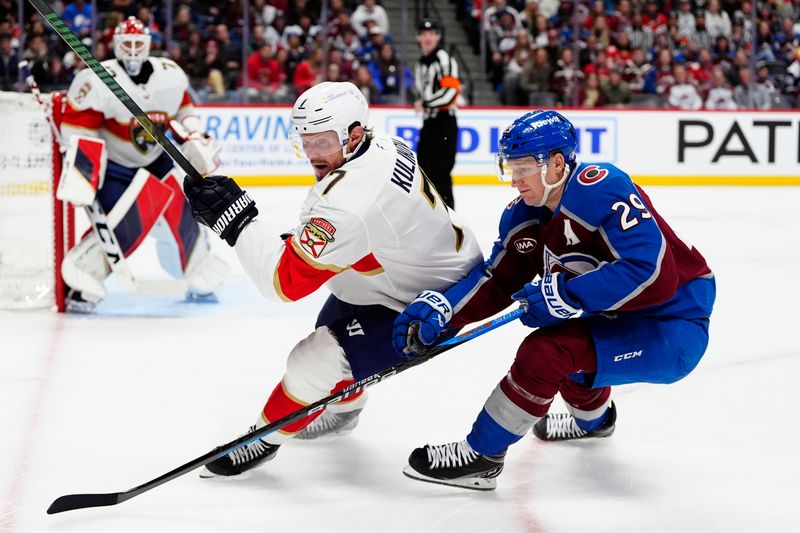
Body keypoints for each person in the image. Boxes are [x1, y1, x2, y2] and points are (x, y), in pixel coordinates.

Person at [392, 110, 716, 490]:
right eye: (510, 167)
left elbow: (654, 275)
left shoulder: (602, 188)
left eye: (524, 166)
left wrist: (567, 293)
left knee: (547, 353)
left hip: (673, 323)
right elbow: (497, 280)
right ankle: (597, 422)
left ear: (557, 163)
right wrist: (444, 311)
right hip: (618, 316)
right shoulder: (524, 215)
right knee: (569, 349)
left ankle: (482, 455)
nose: (515, 179)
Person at [182, 81, 483, 478]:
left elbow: (283, 284)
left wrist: (235, 220)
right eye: (305, 141)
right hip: (417, 269)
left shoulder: (352, 202)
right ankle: (344, 409)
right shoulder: (380, 145)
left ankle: (261, 440)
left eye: (322, 141)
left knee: (313, 361)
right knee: (333, 320)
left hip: (433, 300)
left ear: (354, 134)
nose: (312, 153)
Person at [59, 17, 227, 312]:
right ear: (116, 45)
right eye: (128, 44)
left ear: (149, 45)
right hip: (116, 164)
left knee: (181, 210)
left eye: (139, 44)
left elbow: (185, 109)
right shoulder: (97, 78)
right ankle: (84, 277)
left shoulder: (169, 75)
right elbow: (78, 127)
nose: (134, 50)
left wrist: (195, 133)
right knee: (121, 222)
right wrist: (82, 168)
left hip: (157, 159)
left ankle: (196, 264)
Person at [413, 18, 459, 209]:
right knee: (423, 171)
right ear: (419, 37)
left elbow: (451, 93)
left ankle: (449, 219)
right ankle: (430, 215)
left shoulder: (444, 59)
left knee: (440, 173)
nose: (428, 37)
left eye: (432, 34)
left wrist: (425, 103)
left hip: (444, 123)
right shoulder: (419, 64)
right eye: (424, 34)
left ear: (438, 37)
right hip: (429, 124)